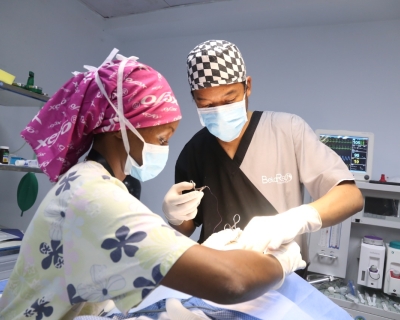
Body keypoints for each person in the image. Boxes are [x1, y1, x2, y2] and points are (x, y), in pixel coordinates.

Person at [0, 49, 306, 319]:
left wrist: (197, 249)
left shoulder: (91, 181)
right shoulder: (92, 195)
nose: (164, 148)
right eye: (161, 139)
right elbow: (231, 282)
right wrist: (284, 258)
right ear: (119, 127)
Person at [162, 40, 364, 259]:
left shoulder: (287, 130)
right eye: (208, 106)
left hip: (281, 275)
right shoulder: (194, 151)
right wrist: (175, 217)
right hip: (217, 275)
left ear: (247, 86)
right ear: (194, 100)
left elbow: (350, 196)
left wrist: (296, 219)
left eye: (229, 99)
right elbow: (188, 228)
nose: (219, 112)